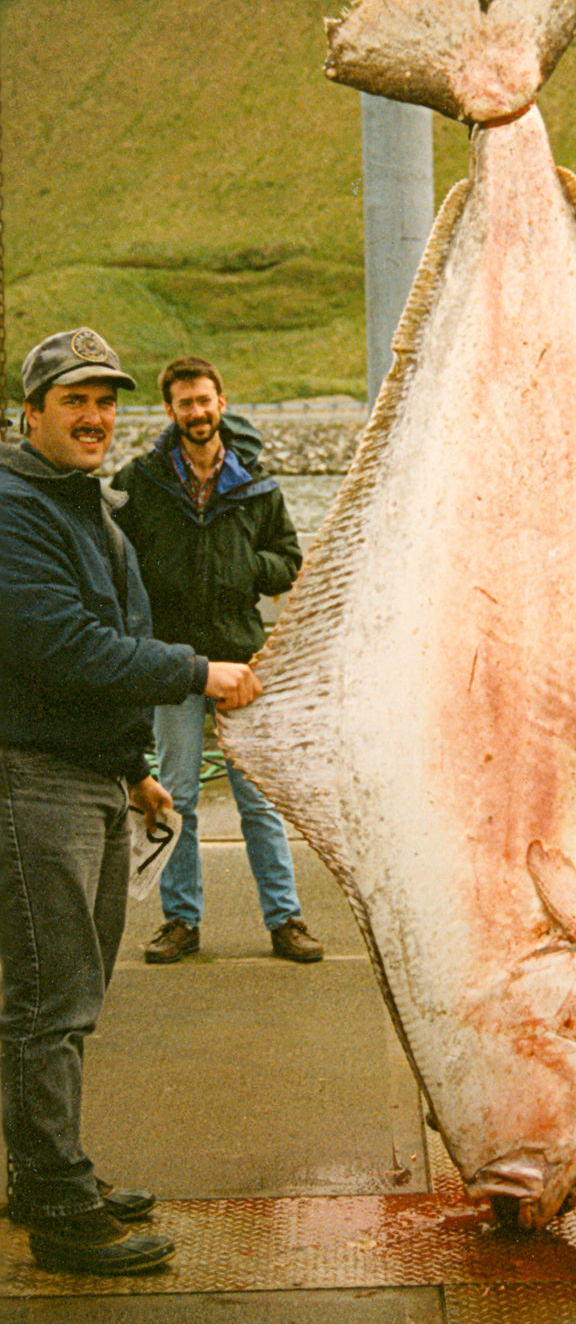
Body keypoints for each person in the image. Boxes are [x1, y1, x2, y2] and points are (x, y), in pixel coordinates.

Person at [0, 328, 261, 1275]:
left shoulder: (87, 509)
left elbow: (98, 646)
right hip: (31, 780)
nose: (95, 418)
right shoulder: (15, 505)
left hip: (87, 776)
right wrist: (200, 670)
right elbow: (60, 646)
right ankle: (59, 1204)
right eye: (74, 401)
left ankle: (45, 1168)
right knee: (48, 995)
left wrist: (131, 771)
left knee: (73, 989)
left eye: (106, 402)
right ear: (31, 413)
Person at [113, 356, 323, 966]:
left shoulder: (256, 485)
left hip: (240, 661)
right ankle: (181, 921)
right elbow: (114, 557)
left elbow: (288, 558)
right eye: (185, 403)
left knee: (256, 801)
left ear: (221, 403)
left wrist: (244, 569)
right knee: (175, 795)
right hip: (173, 663)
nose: (197, 412)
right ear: (170, 411)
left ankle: (285, 921)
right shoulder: (142, 482)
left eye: (205, 400)